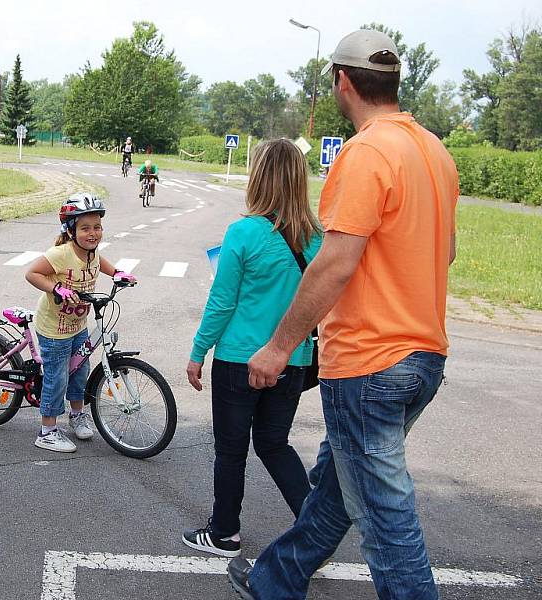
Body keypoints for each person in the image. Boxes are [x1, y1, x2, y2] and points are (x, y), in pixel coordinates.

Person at [227, 29, 459, 600]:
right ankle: (275, 579)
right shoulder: (434, 150)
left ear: (343, 82)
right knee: (335, 486)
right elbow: (445, 252)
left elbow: (335, 263)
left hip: (369, 363)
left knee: (385, 521)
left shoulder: (365, 153)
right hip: (422, 356)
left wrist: (279, 346)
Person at [182, 139, 322, 559]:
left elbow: (222, 302)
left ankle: (224, 532)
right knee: (274, 443)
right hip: (293, 359)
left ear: (258, 179)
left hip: (239, 360)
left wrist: (197, 351)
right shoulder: (318, 239)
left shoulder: (243, 232)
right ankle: (315, 529)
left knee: (230, 450)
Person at [25, 193, 136, 453]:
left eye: (97, 227)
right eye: (85, 228)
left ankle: (77, 415)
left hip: (77, 324)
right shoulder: (61, 254)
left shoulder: (91, 253)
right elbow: (32, 273)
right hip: (55, 329)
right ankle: (47, 431)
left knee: (80, 372)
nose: (93, 233)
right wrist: (56, 288)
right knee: (57, 377)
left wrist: (118, 273)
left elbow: (100, 262)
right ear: (71, 229)